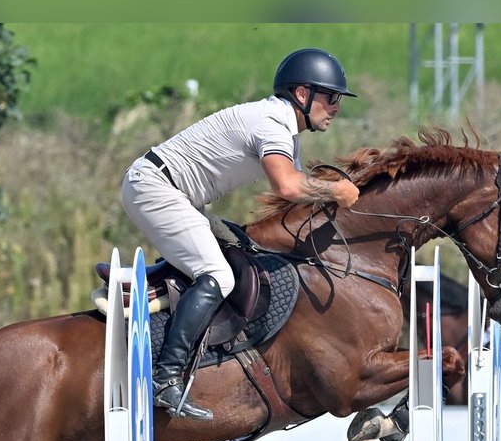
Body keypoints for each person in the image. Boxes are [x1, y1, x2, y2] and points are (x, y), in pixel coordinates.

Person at [121, 48, 361, 421]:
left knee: (238, 249)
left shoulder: (283, 130)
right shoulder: (270, 123)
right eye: (330, 98)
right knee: (217, 275)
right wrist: (338, 191)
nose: (336, 108)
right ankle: (163, 378)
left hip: (173, 192)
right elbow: (287, 186)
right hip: (156, 187)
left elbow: (295, 201)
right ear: (302, 94)